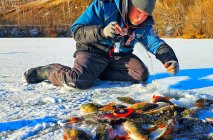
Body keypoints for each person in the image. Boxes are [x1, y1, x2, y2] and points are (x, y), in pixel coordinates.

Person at [24, 0, 179, 89]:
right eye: (138, 11)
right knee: (78, 81)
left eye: (146, 15)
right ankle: (46, 71)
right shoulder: (104, 5)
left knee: (140, 74)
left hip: (119, 56)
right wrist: (102, 32)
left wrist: (169, 59)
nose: (140, 18)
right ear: (130, 4)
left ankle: (97, 72)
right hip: (92, 50)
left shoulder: (144, 25)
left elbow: (155, 42)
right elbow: (76, 31)